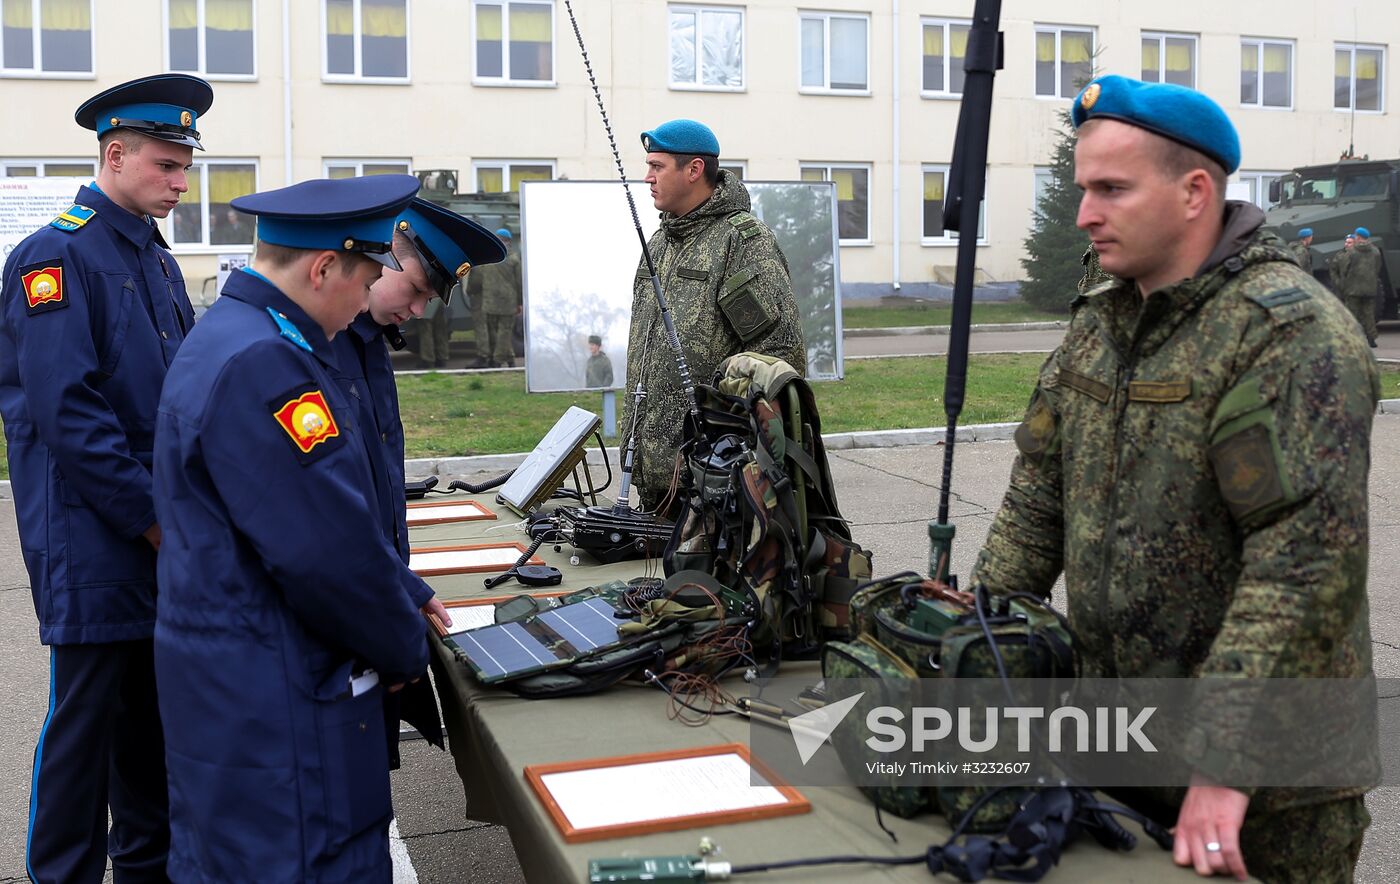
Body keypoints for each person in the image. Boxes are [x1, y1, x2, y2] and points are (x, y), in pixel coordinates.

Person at [969, 75, 1378, 883]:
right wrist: (974, 657)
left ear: (1196, 193)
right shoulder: (1102, 320)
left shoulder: (1284, 333)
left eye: (1111, 189)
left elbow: (1301, 569)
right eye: (1086, 187)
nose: (1085, 212)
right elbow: (1034, 505)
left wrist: (1223, 766)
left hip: (1270, 792)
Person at [151, 175, 443, 881]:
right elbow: (325, 556)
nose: (366, 301)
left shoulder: (228, 334)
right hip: (279, 701)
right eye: (366, 275)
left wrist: (399, 585)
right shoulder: (270, 366)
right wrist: (405, 645)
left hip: (231, 685)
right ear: (321, 268)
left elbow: (293, 517)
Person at [0, 73, 212, 884]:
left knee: (149, 723)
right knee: (85, 723)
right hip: (91, 531)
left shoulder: (151, 259)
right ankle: (62, 873)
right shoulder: (56, 254)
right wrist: (152, 518)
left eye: (185, 166)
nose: (180, 183)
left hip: (153, 527)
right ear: (114, 154)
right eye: (166, 165)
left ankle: (147, 869)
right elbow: (68, 412)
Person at [329, 196, 506, 766]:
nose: (421, 309)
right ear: (383, 258)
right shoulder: (324, 344)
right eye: (419, 290)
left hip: (375, 586)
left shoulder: (368, 339)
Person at [620, 119, 805, 510]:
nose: (647, 177)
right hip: (653, 475)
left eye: (657, 166)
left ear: (694, 170)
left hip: (712, 478)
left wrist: (732, 452)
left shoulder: (741, 243)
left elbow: (777, 357)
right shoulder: (660, 241)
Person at [467, 227, 521, 367]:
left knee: (497, 331)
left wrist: (469, 290)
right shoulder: (514, 259)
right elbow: (519, 283)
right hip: (508, 302)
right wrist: (520, 302)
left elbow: (477, 278)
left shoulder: (488, 257)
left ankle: (508, 359)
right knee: (504, 331)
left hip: (489, 302)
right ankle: (497, 361)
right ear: (509, 241)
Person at [1340, 226, 1381, 347]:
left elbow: (1344, 269)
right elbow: (1377, 268)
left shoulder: (1351, 252)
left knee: (1352, 314)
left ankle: (1351, 338)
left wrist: (1346, 283)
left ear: (1358, 237)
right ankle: (1371, 339)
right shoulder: (1375, 251)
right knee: (1369, 314)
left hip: (1353, 289)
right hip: (1370, 288)